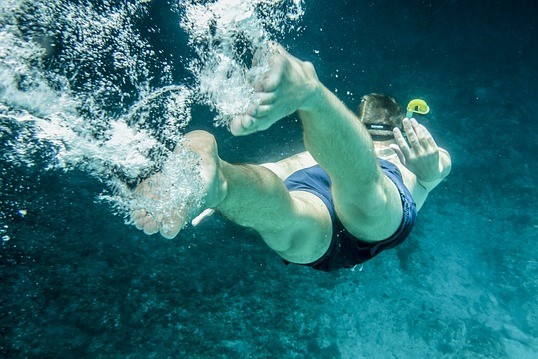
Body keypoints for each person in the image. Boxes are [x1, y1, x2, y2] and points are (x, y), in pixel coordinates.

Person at [131, 43, 452, 272]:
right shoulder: (410, 154)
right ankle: (311, 95)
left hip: (315, 184)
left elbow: (283, 168)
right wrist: (430, 169)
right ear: (397, 128)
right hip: (363, 206)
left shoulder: (337, 148)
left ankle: (222, 183)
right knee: (367, 197)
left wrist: (208, 192)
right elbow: (437, 166)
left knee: (284, 214)